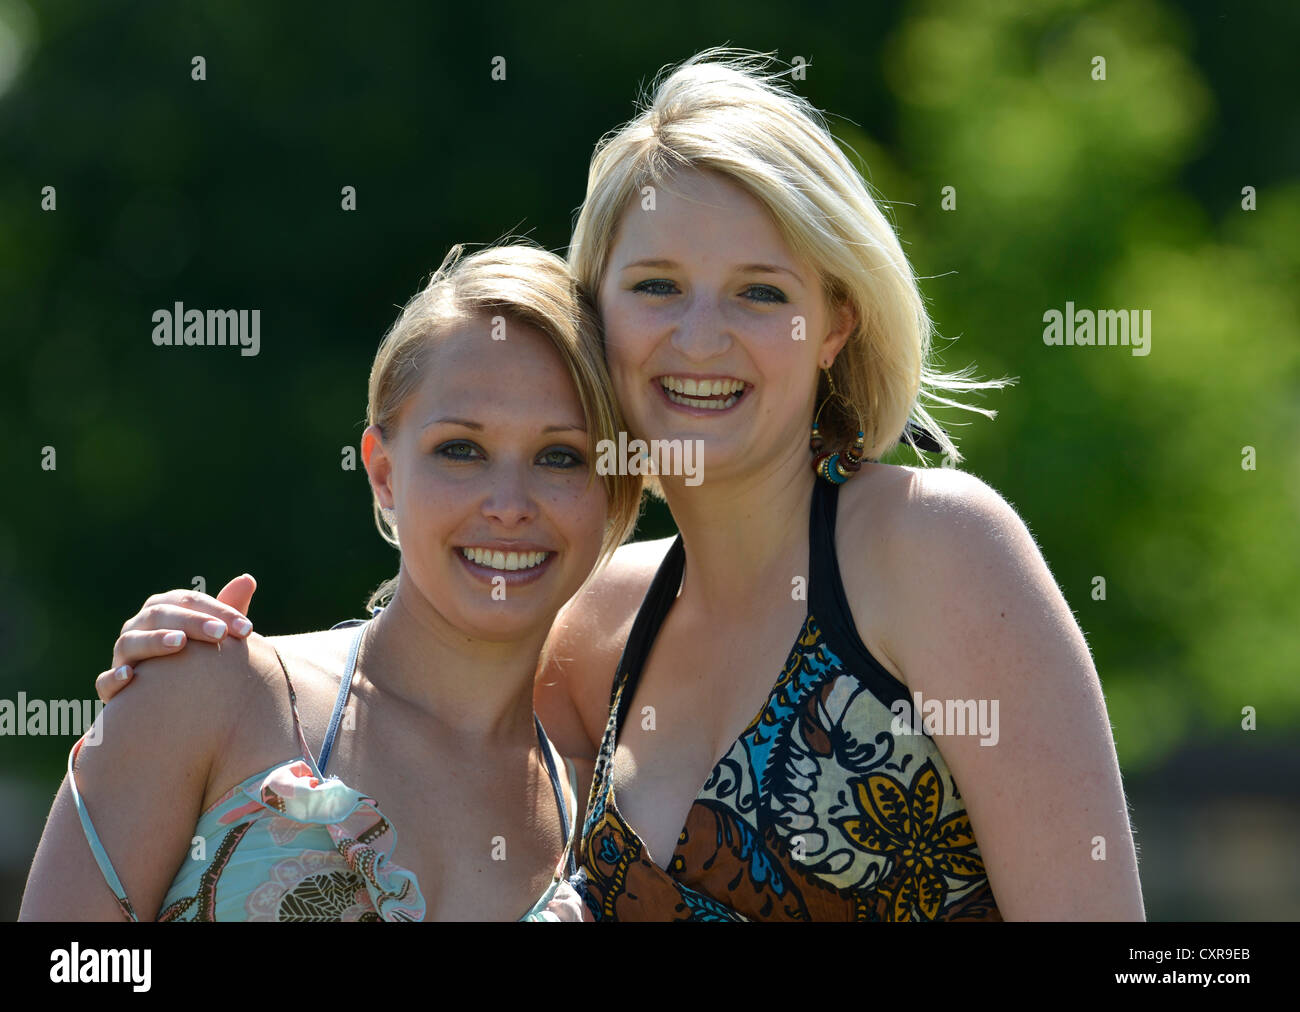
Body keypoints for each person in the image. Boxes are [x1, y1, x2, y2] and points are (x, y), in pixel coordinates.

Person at [80, 49, 1145, 921]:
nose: (699, 336)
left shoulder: (930, 548)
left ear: (833, 322)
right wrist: (202, 668)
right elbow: (400, 701)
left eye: (758, 291)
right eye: (656, 286)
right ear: (600, 319)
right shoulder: (594, 634)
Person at [20, 243, 642, 921]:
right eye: (460, 449)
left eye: (561, 456)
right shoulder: (213, 688)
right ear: (383, 474)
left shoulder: (603, 837)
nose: (509, 503)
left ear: (613, 491)